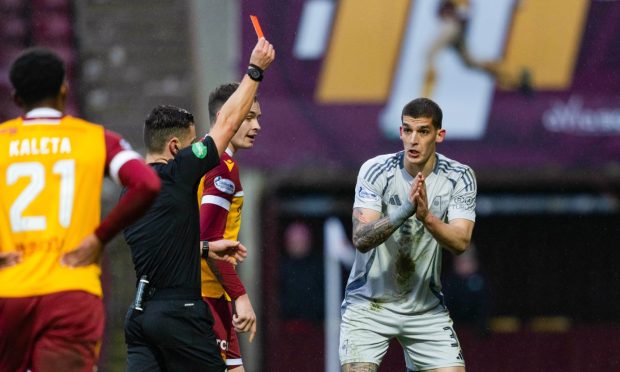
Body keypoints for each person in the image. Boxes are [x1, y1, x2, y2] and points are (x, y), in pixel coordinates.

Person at [0, 48, 161, 372]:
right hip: (72, 290)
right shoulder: (96, 139)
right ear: (64, 89)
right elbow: (147, 183)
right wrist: (99, 238)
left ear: (16, 98)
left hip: (8, 292)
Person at [121, 38, 275, 372]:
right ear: (175, 147)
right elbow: (225, 125)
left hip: (140, 314)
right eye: (192, 144)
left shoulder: (130, 192)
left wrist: (205, 248)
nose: (197, 149)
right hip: (184, 309)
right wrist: (255, 70)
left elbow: (168, 240)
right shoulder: (184, 173)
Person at [340, 97, 477, 372]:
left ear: (439, 135)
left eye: (423, 131)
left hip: (425, 308)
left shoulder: (460, 176)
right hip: (369, 304)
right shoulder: (376, 170)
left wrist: (426, 217)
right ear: (400, 132)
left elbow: (461, 242)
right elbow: (361, 239)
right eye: (407, 130)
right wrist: (404, 211)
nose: (413, 140)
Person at [197, 81, 262, 371]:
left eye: (258, 118)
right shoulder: (222, 167)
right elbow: (210, 241)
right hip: (206, 295)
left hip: (213, 293)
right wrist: (241, 297)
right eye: (249, 117)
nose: (257, 126)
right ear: (228, 115)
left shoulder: (196, 156)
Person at [423, 0, 531, 97]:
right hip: (455, 28)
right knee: (470, 63)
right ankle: (512, 75)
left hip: (452, 26)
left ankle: (427, 91)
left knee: (430, 52)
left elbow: (465, 10)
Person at [279, 221, 324, 322]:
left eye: (301, 241)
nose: (298, 246)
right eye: (294, 242)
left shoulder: (318, 267)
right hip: (288, 323)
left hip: (315, 322)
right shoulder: (281, 269)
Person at [443, 243, 490, 337]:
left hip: (477, 332)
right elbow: (444, 307)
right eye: (460, 261)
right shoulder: (449, 282)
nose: (463, 265)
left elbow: (484, 307)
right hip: (454, 331)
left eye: (467, 260)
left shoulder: (480, 280)